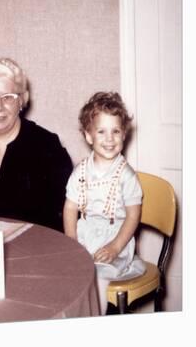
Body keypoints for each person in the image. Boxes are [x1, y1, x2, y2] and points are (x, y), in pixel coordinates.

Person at [0, 58, 72, 230]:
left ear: (21, 100)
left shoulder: (47, 148)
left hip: (37, 251)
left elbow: (66, 218)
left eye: (8, 97)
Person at [63, 91, 146, 315]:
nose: (109, 139)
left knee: (97, 276)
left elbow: (133, 216)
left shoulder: (126, 175)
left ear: (124, 135)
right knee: (65, 274)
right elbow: (70, 208)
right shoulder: (80, 171)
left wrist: (115, 246)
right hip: (84, 236)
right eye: (102, 131)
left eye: (116, 131)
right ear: (89, 136)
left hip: (115, 239)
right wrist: (72, 241)